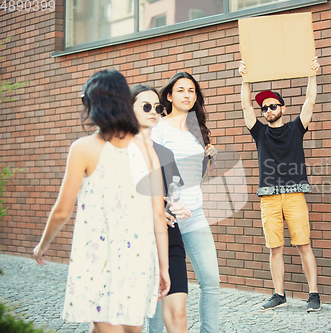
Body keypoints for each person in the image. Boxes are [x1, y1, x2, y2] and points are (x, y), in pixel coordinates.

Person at [32, 69, 170, 333]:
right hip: (139, 256)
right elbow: (158, 215)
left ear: (94, 105)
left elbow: (62, 211)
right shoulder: (147, 149)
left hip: (98, 255)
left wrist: (42, 246)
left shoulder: (84, 148)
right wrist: (163, 267)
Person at [238, 57, 321, 312]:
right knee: (275, 248)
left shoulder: (296, 128)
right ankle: (278, 294)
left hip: (295, 195)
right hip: (269, 198)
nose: (268, 110)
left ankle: (314, 295)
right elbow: (244, 106)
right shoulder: (260, 132)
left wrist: (312, 75)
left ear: (283, 108)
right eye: (264, 108)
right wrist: (244, 79)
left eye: (273, 106)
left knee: (303, 245)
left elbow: (310, 101)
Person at [151, 71, 220, 333]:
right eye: (181, 90)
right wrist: (158, 207)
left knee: (211, 280)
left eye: (191, 90)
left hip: (195, 213)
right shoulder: (157, 127)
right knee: (164, 284)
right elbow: (152, 170)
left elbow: (193, 177)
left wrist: (207, 160)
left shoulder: (195, 130)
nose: (187, 95)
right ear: (169, 95)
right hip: (167, 215)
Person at [130, 84, 191, 333]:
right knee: (131, 316)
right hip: (134, 238)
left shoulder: (165, 153)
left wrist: (177, 203)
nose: (153, 111)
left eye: (158, 107)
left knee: (178, 310)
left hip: (168, 236)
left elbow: (173, 191)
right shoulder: (118, 150)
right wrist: (151, 212)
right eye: (146, 106)